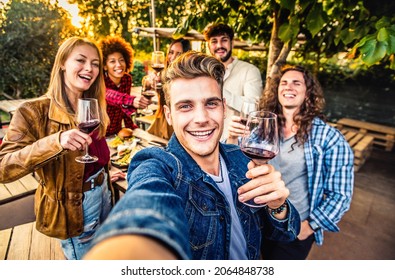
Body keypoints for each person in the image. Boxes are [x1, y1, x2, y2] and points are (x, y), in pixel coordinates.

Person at [83, 51, 300, 260]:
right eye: (186, 106)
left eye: (211, 103)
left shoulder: (242, 158)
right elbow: (146, 203)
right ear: (169, 115)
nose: (201, 118)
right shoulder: (158, 166)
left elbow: (286, 233)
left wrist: (278, 205)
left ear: (224, 108)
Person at [0, 37, 114, 260]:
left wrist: (104, 170)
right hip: (74, 207)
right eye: (80, 60)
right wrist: (56, 141)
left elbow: (94, 154)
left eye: (95, 63)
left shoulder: (92, 105)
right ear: (62, 62)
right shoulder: (33, 112)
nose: (89, 69)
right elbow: (3, 167)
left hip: (103, 193)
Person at [227, 64, 354, 259]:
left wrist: (310, 226)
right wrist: (234, 139)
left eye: (296, 83)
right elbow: (238, 166)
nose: (288, 87)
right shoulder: (264, 128)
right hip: (260, 219)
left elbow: (341, 194)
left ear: (308, 93)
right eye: (284, 83)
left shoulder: (329, 138)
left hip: (294, 226)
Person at [203, 23, 263, 141]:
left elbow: (254, 109)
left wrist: (219, 91)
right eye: (214, 41)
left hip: (236, 145)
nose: (219, 45)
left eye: (224, 40)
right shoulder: (203, 73)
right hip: (206, 141)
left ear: (232, 43)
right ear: (209, 46)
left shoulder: (249, 70)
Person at [99, 36, 151, 137]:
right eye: (112, 61)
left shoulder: (126, 79)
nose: (118, 65)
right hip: (100, 135)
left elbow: (124, 108)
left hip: (117, 133)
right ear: (105, 66)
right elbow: (108, 95)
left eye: (121, 60)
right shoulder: (101, 81)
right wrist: (131, 100)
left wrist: (131, 127)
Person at [147, 38, 192, 140]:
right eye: (171, 52)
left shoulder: (189, 79)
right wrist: (151, 84)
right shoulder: (163, 74)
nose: (173, 57)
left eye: (179, 54)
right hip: (162, 119)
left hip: (178, 122)